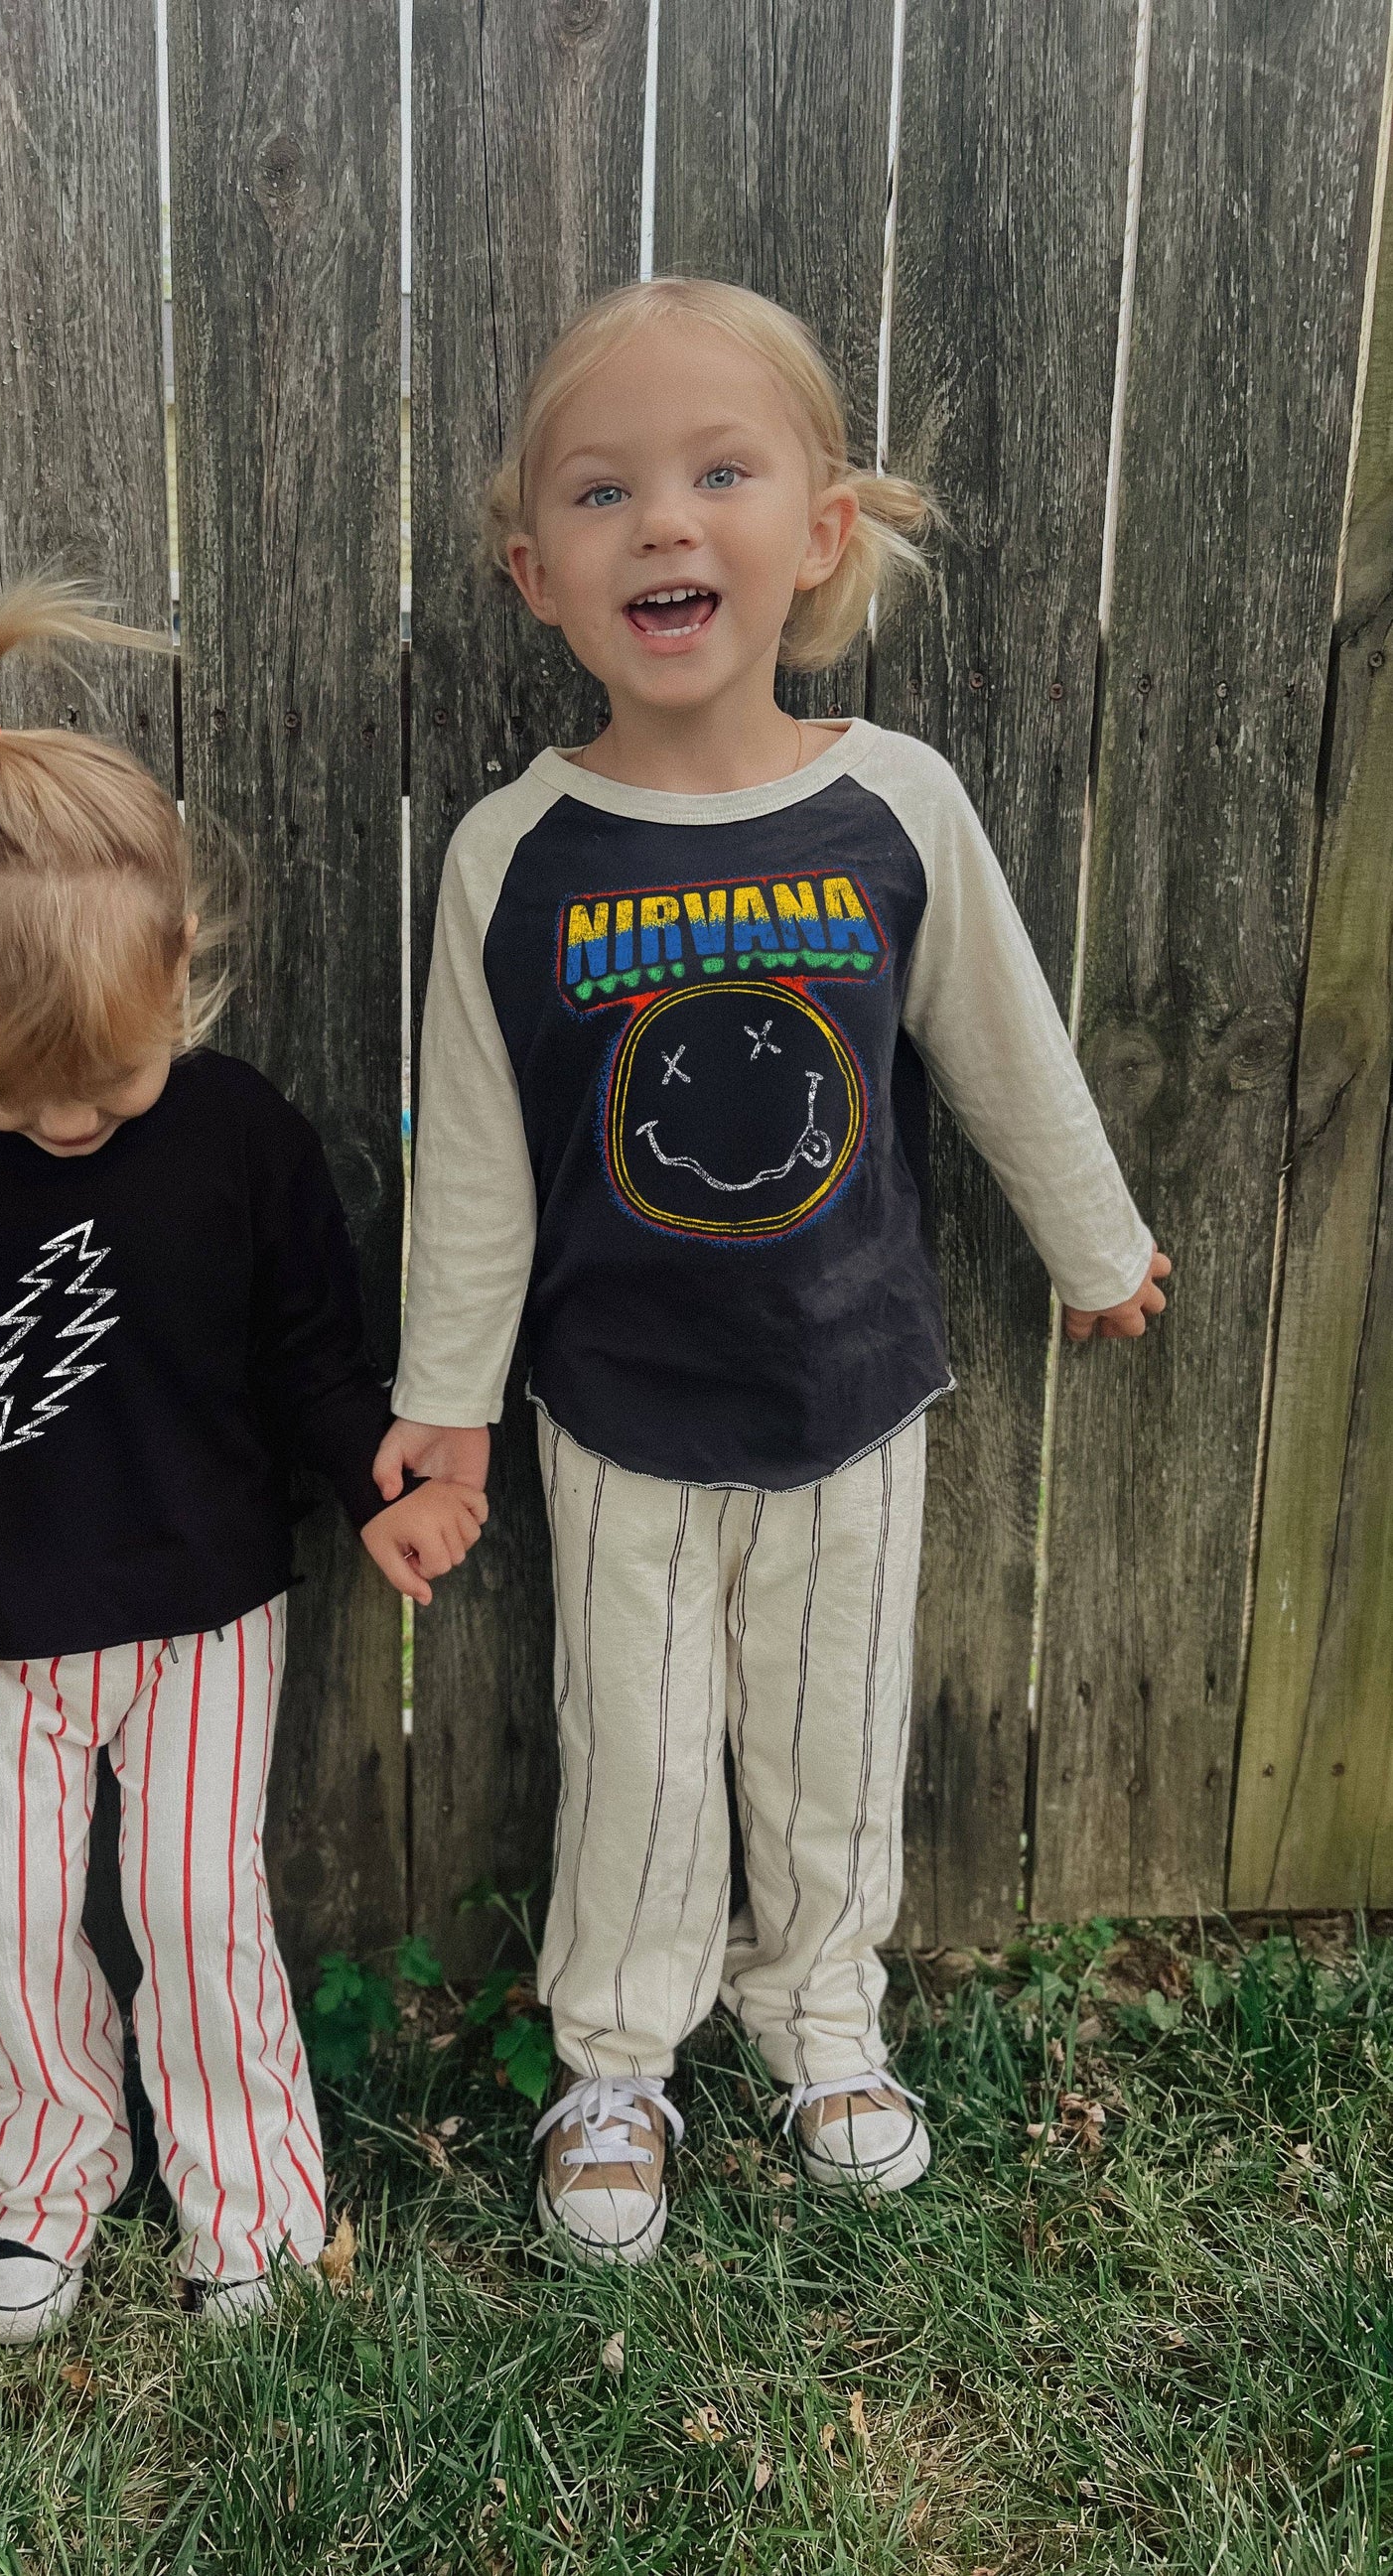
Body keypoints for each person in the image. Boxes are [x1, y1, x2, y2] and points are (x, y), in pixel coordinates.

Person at [376, 277, 1170, 2264]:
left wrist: (1092, 1241)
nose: (665, 520)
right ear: (531, 569)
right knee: (633, 1758)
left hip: (851, 1392)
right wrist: (446, 1415)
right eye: (604, 488)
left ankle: (821, 2013)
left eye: (721, 471)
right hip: (616, 1410)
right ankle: (615, 2056)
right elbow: (473, 1161)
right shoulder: (513, 850)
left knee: (828, 1743)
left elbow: (1000, 1038)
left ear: (816, 530)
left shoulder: (891, 803)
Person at [0, 582, 484, 2338]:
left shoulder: (238, 1138)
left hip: (203, 1615)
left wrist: (374, 1491)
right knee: (6, 1926)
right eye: (20, 1097)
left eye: (112, 1075)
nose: (75, 1121)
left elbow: (311, 1355)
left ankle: (245, 2198)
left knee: (192, 1906)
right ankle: (39, 2178)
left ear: (182, 963)